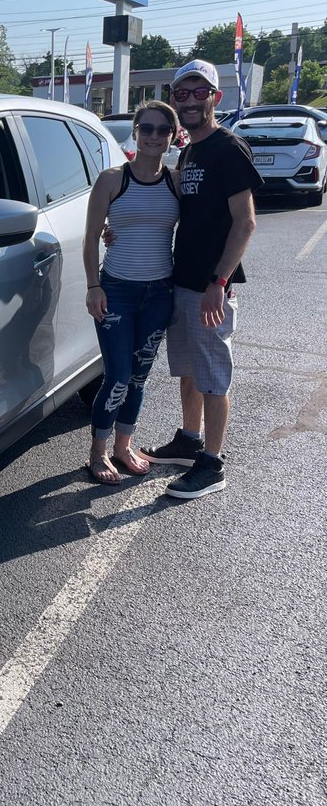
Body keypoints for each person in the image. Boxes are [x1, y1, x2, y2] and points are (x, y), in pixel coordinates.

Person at [140, 59, 262, 499]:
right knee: (189, 370)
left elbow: (244, 223)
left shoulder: (228, 149)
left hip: (211, 287)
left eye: (199, 93)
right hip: (184, 281)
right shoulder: (190, 150)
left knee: (213, 376)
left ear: (216, 97)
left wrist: (219, 282)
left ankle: (212, 464)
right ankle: (190, 441)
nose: (190, 101)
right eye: (182, 94)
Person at [82, 100, 181, 484]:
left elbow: (196, 231)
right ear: (135, 132)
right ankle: (98, 452)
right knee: (118, 375)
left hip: (159, 292)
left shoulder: (175, 180)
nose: (154, 136)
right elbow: (91, 238)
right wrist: (94, 286)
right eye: (147, 128)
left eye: (162, 130)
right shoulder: (111, 179)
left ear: (173, 137)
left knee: (139, 377)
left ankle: (124, 446)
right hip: (117, 290)